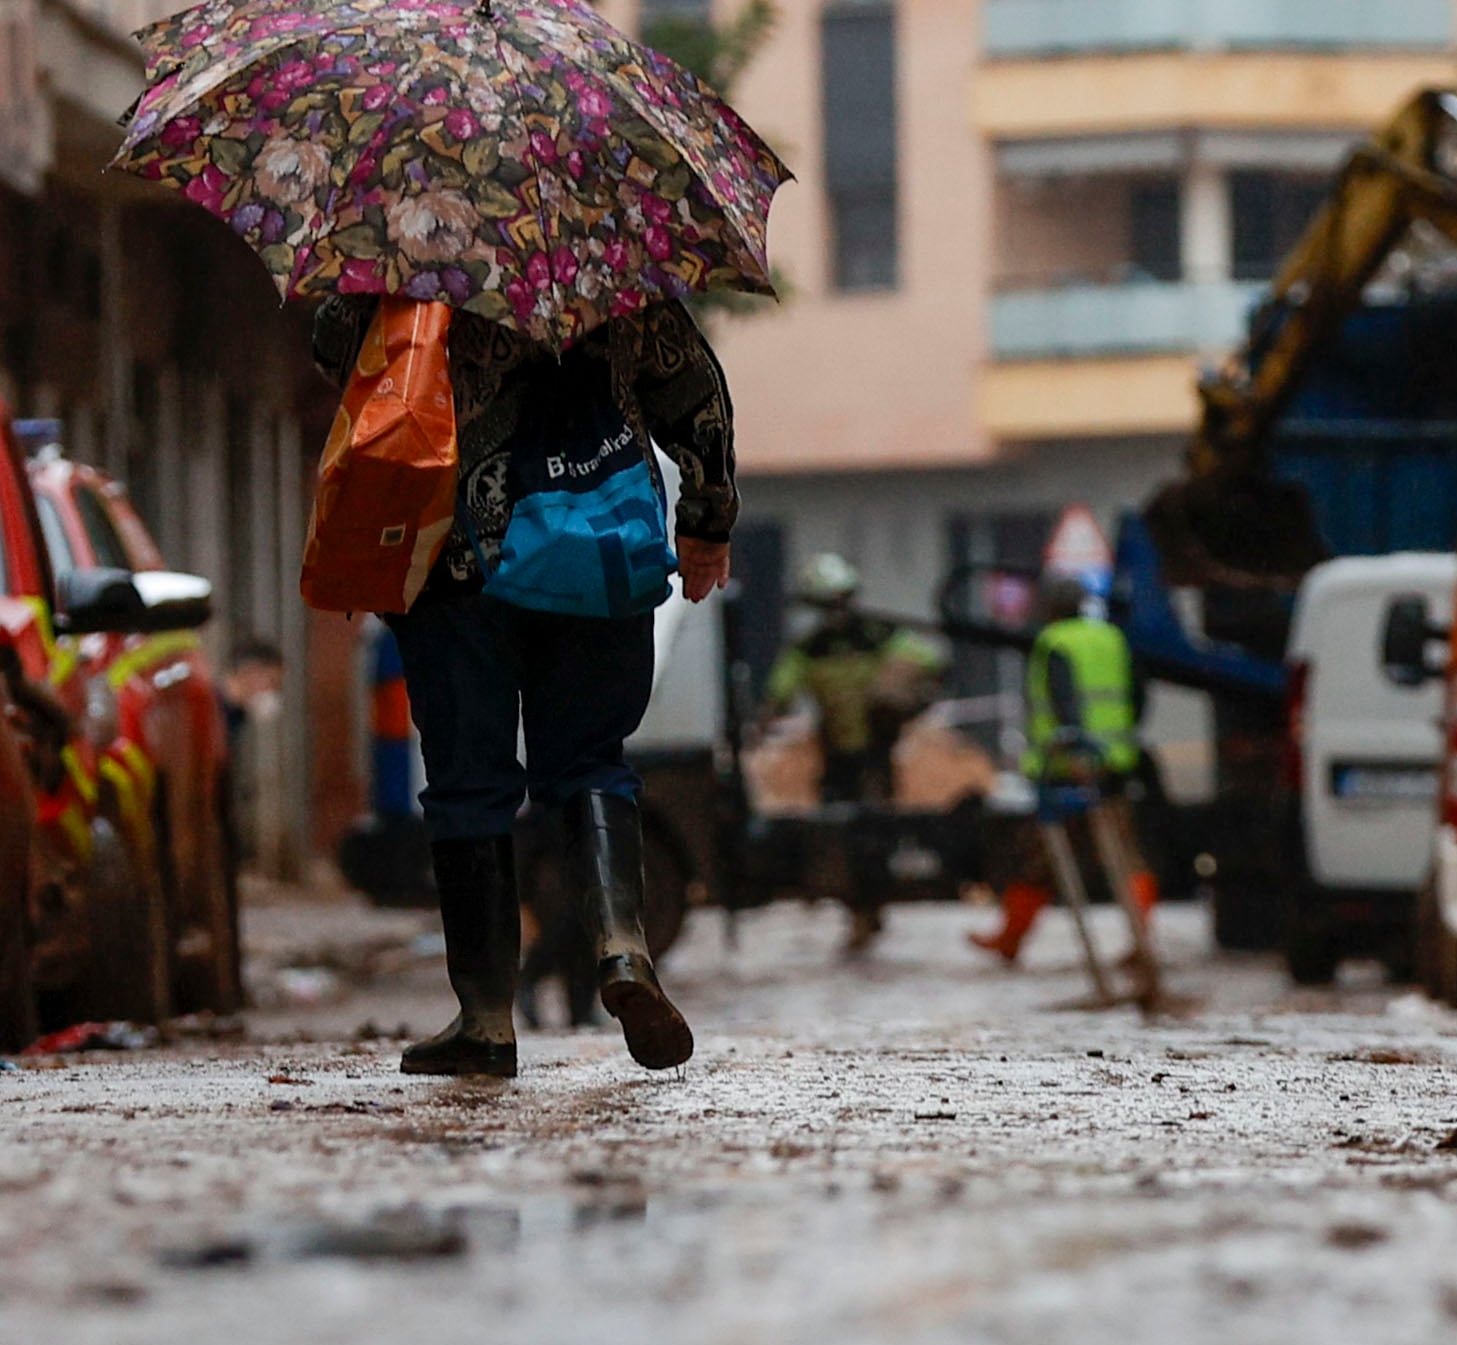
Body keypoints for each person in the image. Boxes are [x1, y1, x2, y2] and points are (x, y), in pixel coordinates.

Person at [311, 293, 735, 1078]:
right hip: (599, 549)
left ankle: (485, 1020)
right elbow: (693, 388)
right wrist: (707, 519)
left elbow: (339, 352)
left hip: (454, 559)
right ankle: (621, 946)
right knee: (591, 760)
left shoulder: (407, 262)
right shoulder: (613, 259)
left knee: (469, 783)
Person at [763, 550, 946, 952]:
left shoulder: (876, 636)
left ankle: (870, 908)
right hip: (839, 751)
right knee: (845, 832)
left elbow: (928, 661)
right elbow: (781, 692)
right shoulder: (812, 648)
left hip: (875, 749)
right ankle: (859, 907)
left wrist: (903, 695)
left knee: (871, 830)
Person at [972, 569, 1153, 963]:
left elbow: (1063, 699)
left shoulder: (1055, 641)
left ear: (1051, 608)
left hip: (1067, 767)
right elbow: (1138, 694)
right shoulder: (1112, 638)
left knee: (1040, 855)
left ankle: (1011, 937)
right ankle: (1142, 943)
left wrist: (1074, 751)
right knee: (1124, 854)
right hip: (1116, 763)